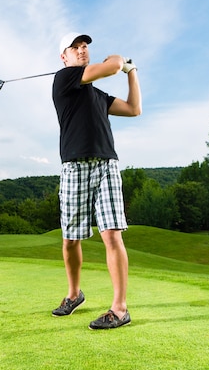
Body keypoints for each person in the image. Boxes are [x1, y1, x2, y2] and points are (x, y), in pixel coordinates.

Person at [51, 32, 142, 330]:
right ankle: (74, 294)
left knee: (112, 234)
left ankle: (119, 308)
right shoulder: (64, 79)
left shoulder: (97, 95)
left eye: (84, 46)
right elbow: (112, 66)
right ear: (64, 57)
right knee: (70, 239)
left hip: (105, 165)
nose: (81, 50)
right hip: (74, 167)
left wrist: (133, 72)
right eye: (74, 47)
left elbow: (133, 109)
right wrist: (117, 62)